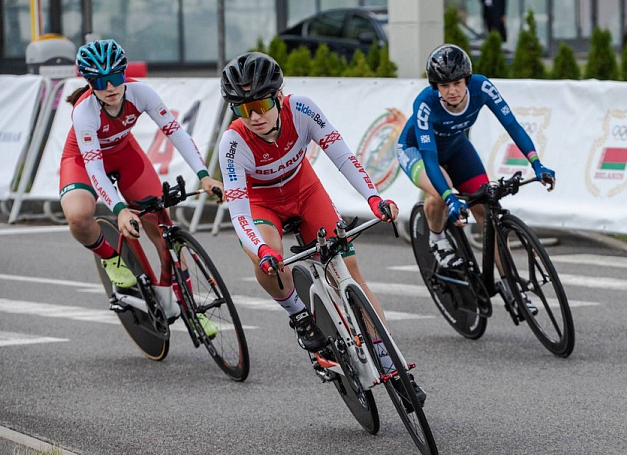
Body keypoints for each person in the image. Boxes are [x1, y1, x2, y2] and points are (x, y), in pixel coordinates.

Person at [217, 52, 425, 405]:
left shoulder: (301, 109)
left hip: (304, 190)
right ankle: (298, 314)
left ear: (279, 96)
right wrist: (263, 251)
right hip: (261, 204)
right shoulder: (233, 143)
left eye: (262, 105)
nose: (254, 117)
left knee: (350, 271)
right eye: (243, 109)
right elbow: (238, 213)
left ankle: (391, 361)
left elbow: (343, 156)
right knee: (269, 259)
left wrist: (373, 198)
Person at [59, 39, 224, 336]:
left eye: (115, 77)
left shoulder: (141, 93)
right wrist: (120, 209)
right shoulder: (84, 112)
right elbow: (94, 168)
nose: (110, 87)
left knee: (163, 228)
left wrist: (204, 175)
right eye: (100, 82)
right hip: (82, 160)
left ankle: (189, 308)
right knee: (78, 216)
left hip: (125, 154)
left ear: (124, 73)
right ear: (89, 84)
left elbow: (175, 132)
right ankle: (111, 258)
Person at [396, 44, 555, 313]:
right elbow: (431, 159)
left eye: (457, 83)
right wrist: (450, 197)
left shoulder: (482, 87)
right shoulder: (425, 103)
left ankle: (511, 288)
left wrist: (536, 163)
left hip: (457, 147)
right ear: (435, 86)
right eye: (444, 85)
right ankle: (437, 239)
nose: (452, 90)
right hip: (418, 151)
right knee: (441, 191)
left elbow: (512, 125)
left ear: (467, 80)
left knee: (487, 209)